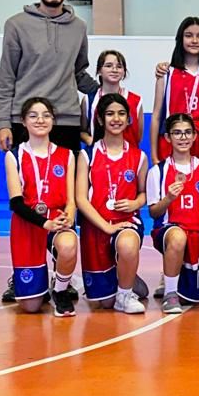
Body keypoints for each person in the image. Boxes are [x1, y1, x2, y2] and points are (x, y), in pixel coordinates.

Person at [0, 0, 97, 302]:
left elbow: (79, 73)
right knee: (28, 202)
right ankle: (23, 275)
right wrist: (4, 122)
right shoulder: (16, 25)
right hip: (25, 122)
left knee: (67, 200)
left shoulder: (79, 27)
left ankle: (64, 276)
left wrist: (111, 91)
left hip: (66, 121)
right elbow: (6, 77)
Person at [5, 96, 79, 317]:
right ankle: (35, 285)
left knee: (68, 245)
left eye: (46, 115)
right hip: (27, 222)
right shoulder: (14, 155)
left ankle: (60, 290)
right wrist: (45, 223)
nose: (40, 120)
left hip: (56, 217)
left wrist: (69, 216)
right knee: (31, 307)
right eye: (33, 116)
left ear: (53, 120)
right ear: (23, 121)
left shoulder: (66, 155)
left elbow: (71, 199)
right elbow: (16, 203)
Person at [76, 93, 148, 314]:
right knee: (104, 303)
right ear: (100, 119)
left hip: (126, 222)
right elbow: (80, 198)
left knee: (127, 244)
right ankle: (127, 275)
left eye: (121, 114)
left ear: (128, 119)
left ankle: (125, 294)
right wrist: (106, 226)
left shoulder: (139, 156)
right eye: (110, 114)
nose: (116, 119)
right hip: (96, 226)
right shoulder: (87, 155)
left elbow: (144, 193)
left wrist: (135, 203)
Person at [147, 113, 199, 315]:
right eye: (177, 133)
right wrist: (168, 198)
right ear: (168, 137)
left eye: (187, 132)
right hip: (169, 231)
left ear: (194, 136)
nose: (183, 137)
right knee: (177, 237)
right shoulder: (158, 171)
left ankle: (168, 282)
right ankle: (170, 294)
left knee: (193, 297)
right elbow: (153, 212)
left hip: (198, 236)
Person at [150, 17, 199, 165]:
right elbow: (156, 116)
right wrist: (154, 156)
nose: (194, 40)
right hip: (172, 140)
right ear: (180, 39)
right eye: (188, 35)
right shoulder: (167, 73)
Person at [81, 49, 143, 147]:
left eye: (119, 66)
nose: (114, 70)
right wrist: (90, 140)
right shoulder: (89, 100)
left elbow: (138, 136)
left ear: (124, 72)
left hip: (129, 155)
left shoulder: (136, 100)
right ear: (99, 70)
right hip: (97, 154)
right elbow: (82, 131)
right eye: (108, 66)